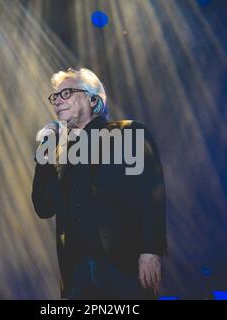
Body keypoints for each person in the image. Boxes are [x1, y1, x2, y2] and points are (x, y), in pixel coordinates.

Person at [32, 67, 167, 299]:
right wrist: (46, 151)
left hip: (122, 264)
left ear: (93, 99)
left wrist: (150, 250)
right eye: (55, 96)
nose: (57, 101)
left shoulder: (128, 132)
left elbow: (151, 193)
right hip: (76, 271)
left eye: (67, 93)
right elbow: (44, 207)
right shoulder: (59, 150)